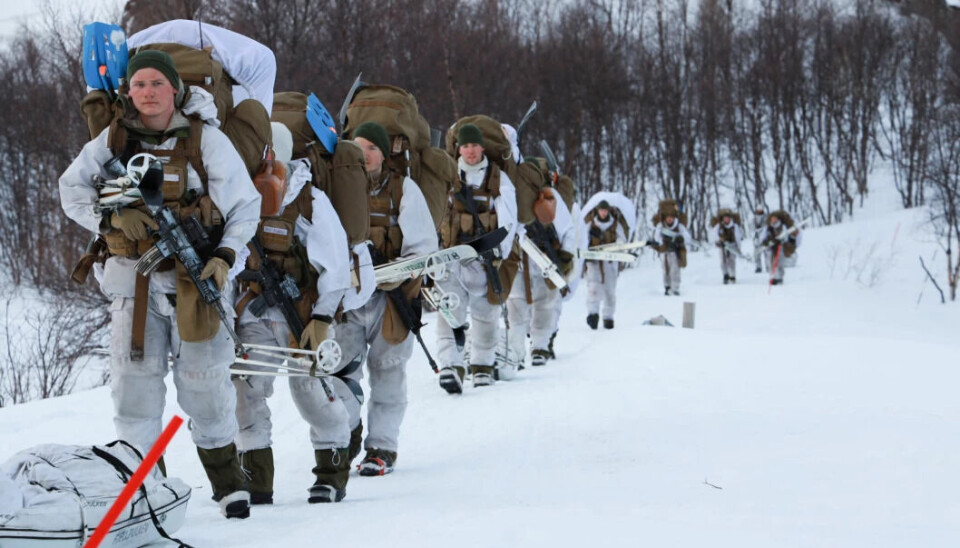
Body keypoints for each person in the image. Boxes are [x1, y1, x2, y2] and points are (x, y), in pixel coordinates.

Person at [59, 51, 261, 519]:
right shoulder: (112, 141)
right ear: (128, 91)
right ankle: (146, 490)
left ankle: (228, 483)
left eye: (156, 84)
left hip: (196, 278)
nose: (147, 93)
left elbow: (245, 207)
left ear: (174, 89)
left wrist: (226, 255)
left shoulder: (205, 139)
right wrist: (111, 214)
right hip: (133, 281)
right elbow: (72, 190)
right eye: (139, 85)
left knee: (206, 385)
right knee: (134, 389)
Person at [232, 122, 358, 504]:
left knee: (311, 392)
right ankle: (255, 479)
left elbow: (335, 266)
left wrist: (321, 318)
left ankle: (331, 472)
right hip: (253, 314)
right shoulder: (240, 196)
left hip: (302, 314)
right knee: (245, 391)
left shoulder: (310, 201)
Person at [331, 121, 436, 476]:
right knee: (339, 371)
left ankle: (382, 447)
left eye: (372, 148)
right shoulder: (339, 187)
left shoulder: (404, 189)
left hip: (390, 301)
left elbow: (422, 246)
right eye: (358, 147)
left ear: (385, 153)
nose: (364, 154)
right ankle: (345, 435)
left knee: (388, 372)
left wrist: (398, 272)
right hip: (345, 298)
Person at [436, 123, 518, 392]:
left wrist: (500, 253)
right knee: (449, 311)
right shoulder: (448, 174)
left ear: (482, 147)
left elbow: (508, 217)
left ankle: (482, 366)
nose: (470, 151)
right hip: (453, 257)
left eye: (474, 145)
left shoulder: (498, 178)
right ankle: (451, 366)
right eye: (465, 145)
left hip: (486, 259)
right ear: (458, 148)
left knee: (485, 316)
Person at [506, 160, 575, 370]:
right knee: (519, 307)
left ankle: (537, 348)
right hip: (520, 257)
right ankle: (520, 351)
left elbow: (566, 229)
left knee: (541, 305)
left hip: (543, 258)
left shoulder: (548, 197)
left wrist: (564, 257)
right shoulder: (512, 193)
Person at [583, 201, 625, 329]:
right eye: (601, 210)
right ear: (598, 210)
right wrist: (590, 238)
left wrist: (617, 246)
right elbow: (582, 241)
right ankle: (593, 314)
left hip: (610, 261)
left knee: (610, 291)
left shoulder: (615, 224)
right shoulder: (591, 223)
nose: (603, 212)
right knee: (594, 289)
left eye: (605, 210)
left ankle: (608, 318)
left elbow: (622, 240)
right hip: (594, 261)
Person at [651, 207, 692, 296]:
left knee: (675, 270)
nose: (669, 219)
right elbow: (657, 237)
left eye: (671, 217)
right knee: (665, 269)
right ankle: (667, 287)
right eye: (668, 217)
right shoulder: (661, 226)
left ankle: (675, 288)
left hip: (675, 251)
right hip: (665, 251)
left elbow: (687, 238)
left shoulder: (679, 226)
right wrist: (662, 241)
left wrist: (680, 239)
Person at [758, 210, 801, 285]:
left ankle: (779, 277)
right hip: (771, 248)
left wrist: (781, 240)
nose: (773, 220)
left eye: (775, 218)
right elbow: (763, 237)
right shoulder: (768, 228)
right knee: (770, 262)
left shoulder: (783, 226)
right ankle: (773, 277)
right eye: (772, 219)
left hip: (780, 247)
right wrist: (765, 242)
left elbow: (786, 236)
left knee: (779, 262)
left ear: (777, 219)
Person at [713, 209, 743, 284]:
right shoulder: (719, 226)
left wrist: (738, 248)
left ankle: (732, 275)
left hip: (732, 246)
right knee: (723, 261)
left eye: (727, 217)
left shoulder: (734, 226)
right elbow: (714, 235)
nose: (726, 219)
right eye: (725, 217)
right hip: (722, 246)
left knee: (732, 261)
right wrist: (718, 241)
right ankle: (725, 274)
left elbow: (738, 237)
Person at [752, 206, 767, 273]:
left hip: (764, 238)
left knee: (766, 253)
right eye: (758, 210)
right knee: (757, 253)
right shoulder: (754, 218)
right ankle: (758, 267)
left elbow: (766, 226)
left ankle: (768, 266)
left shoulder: (765, 217)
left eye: (760, 210)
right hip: (756, 237)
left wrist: (761, 229)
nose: (759, 211)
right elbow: (751, 227)